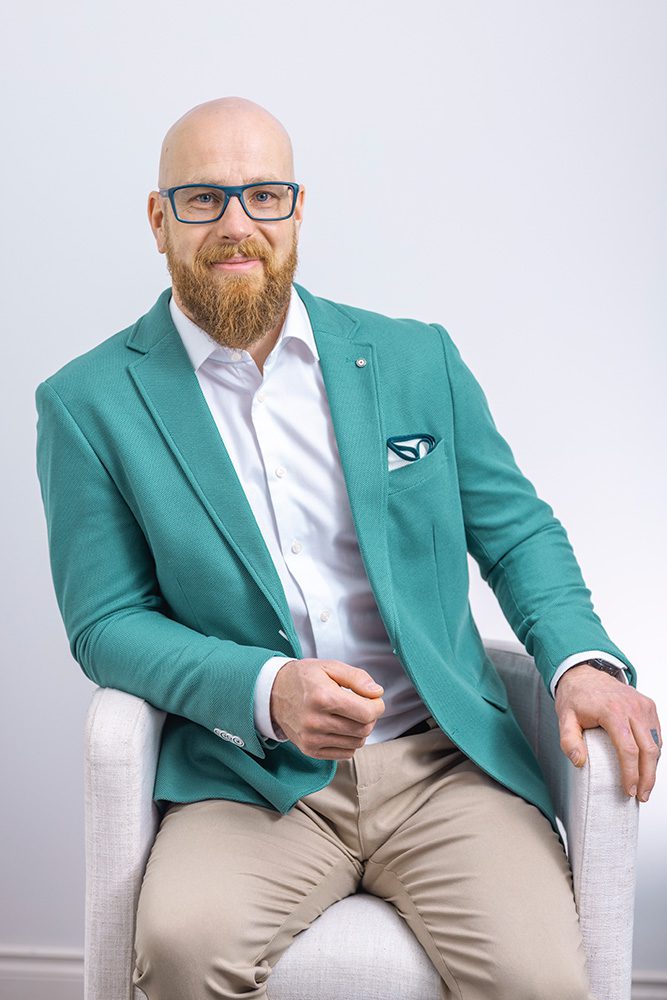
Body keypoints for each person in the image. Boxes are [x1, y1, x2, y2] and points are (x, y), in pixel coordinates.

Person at [35, 97, 661, 1000]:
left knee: (543, 981)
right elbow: (106, 623)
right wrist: (266, 690)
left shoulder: (416, 360)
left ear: (298, 212)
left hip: (443, 763)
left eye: (264, 196)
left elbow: (517, 532)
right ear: (158, 219)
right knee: (179, 951)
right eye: (205, 199)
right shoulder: (88, 403)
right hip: (246, 776)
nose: (237, 224)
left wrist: (579, 661)